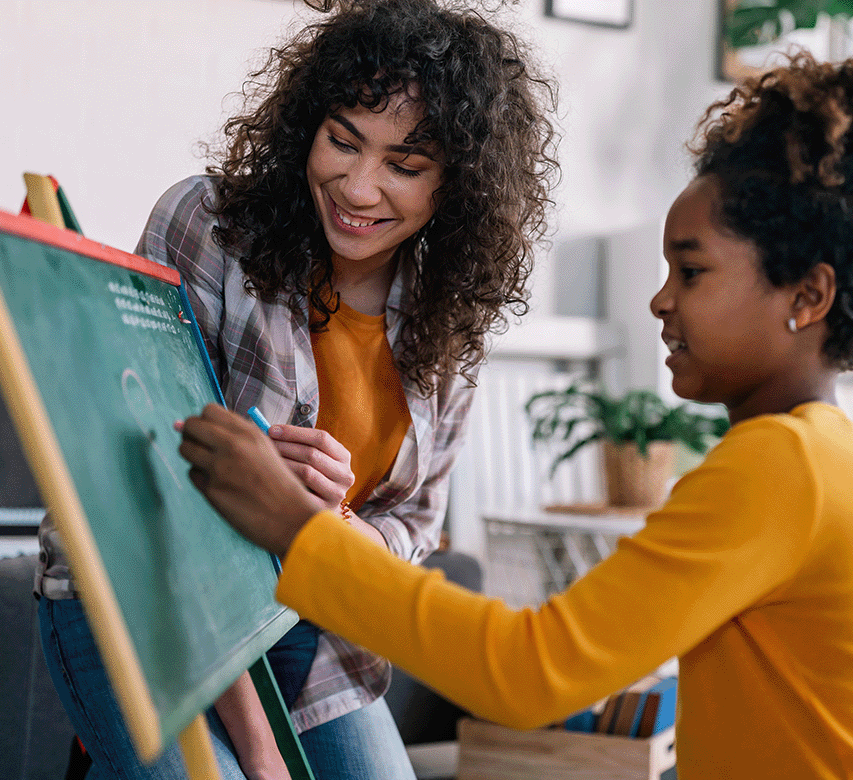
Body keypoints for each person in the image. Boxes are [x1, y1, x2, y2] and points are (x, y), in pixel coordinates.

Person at [176, 21, 853, 780]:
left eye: (691, 273)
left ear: (807, 296)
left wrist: (295, 525)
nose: (660, 303)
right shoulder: (821, 458)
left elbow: (530, 670)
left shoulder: (786, 466)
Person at [34, 0, 557, 778]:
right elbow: (161, 504)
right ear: (307, 126)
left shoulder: (448, 320)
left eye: (404, 167)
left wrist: (332, 519)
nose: (358, 186)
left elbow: (411, 525)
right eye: (342, 141)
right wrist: (257, 747)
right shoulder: (209, 228)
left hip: (310, 630)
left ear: (458, 186)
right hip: (142, 596)